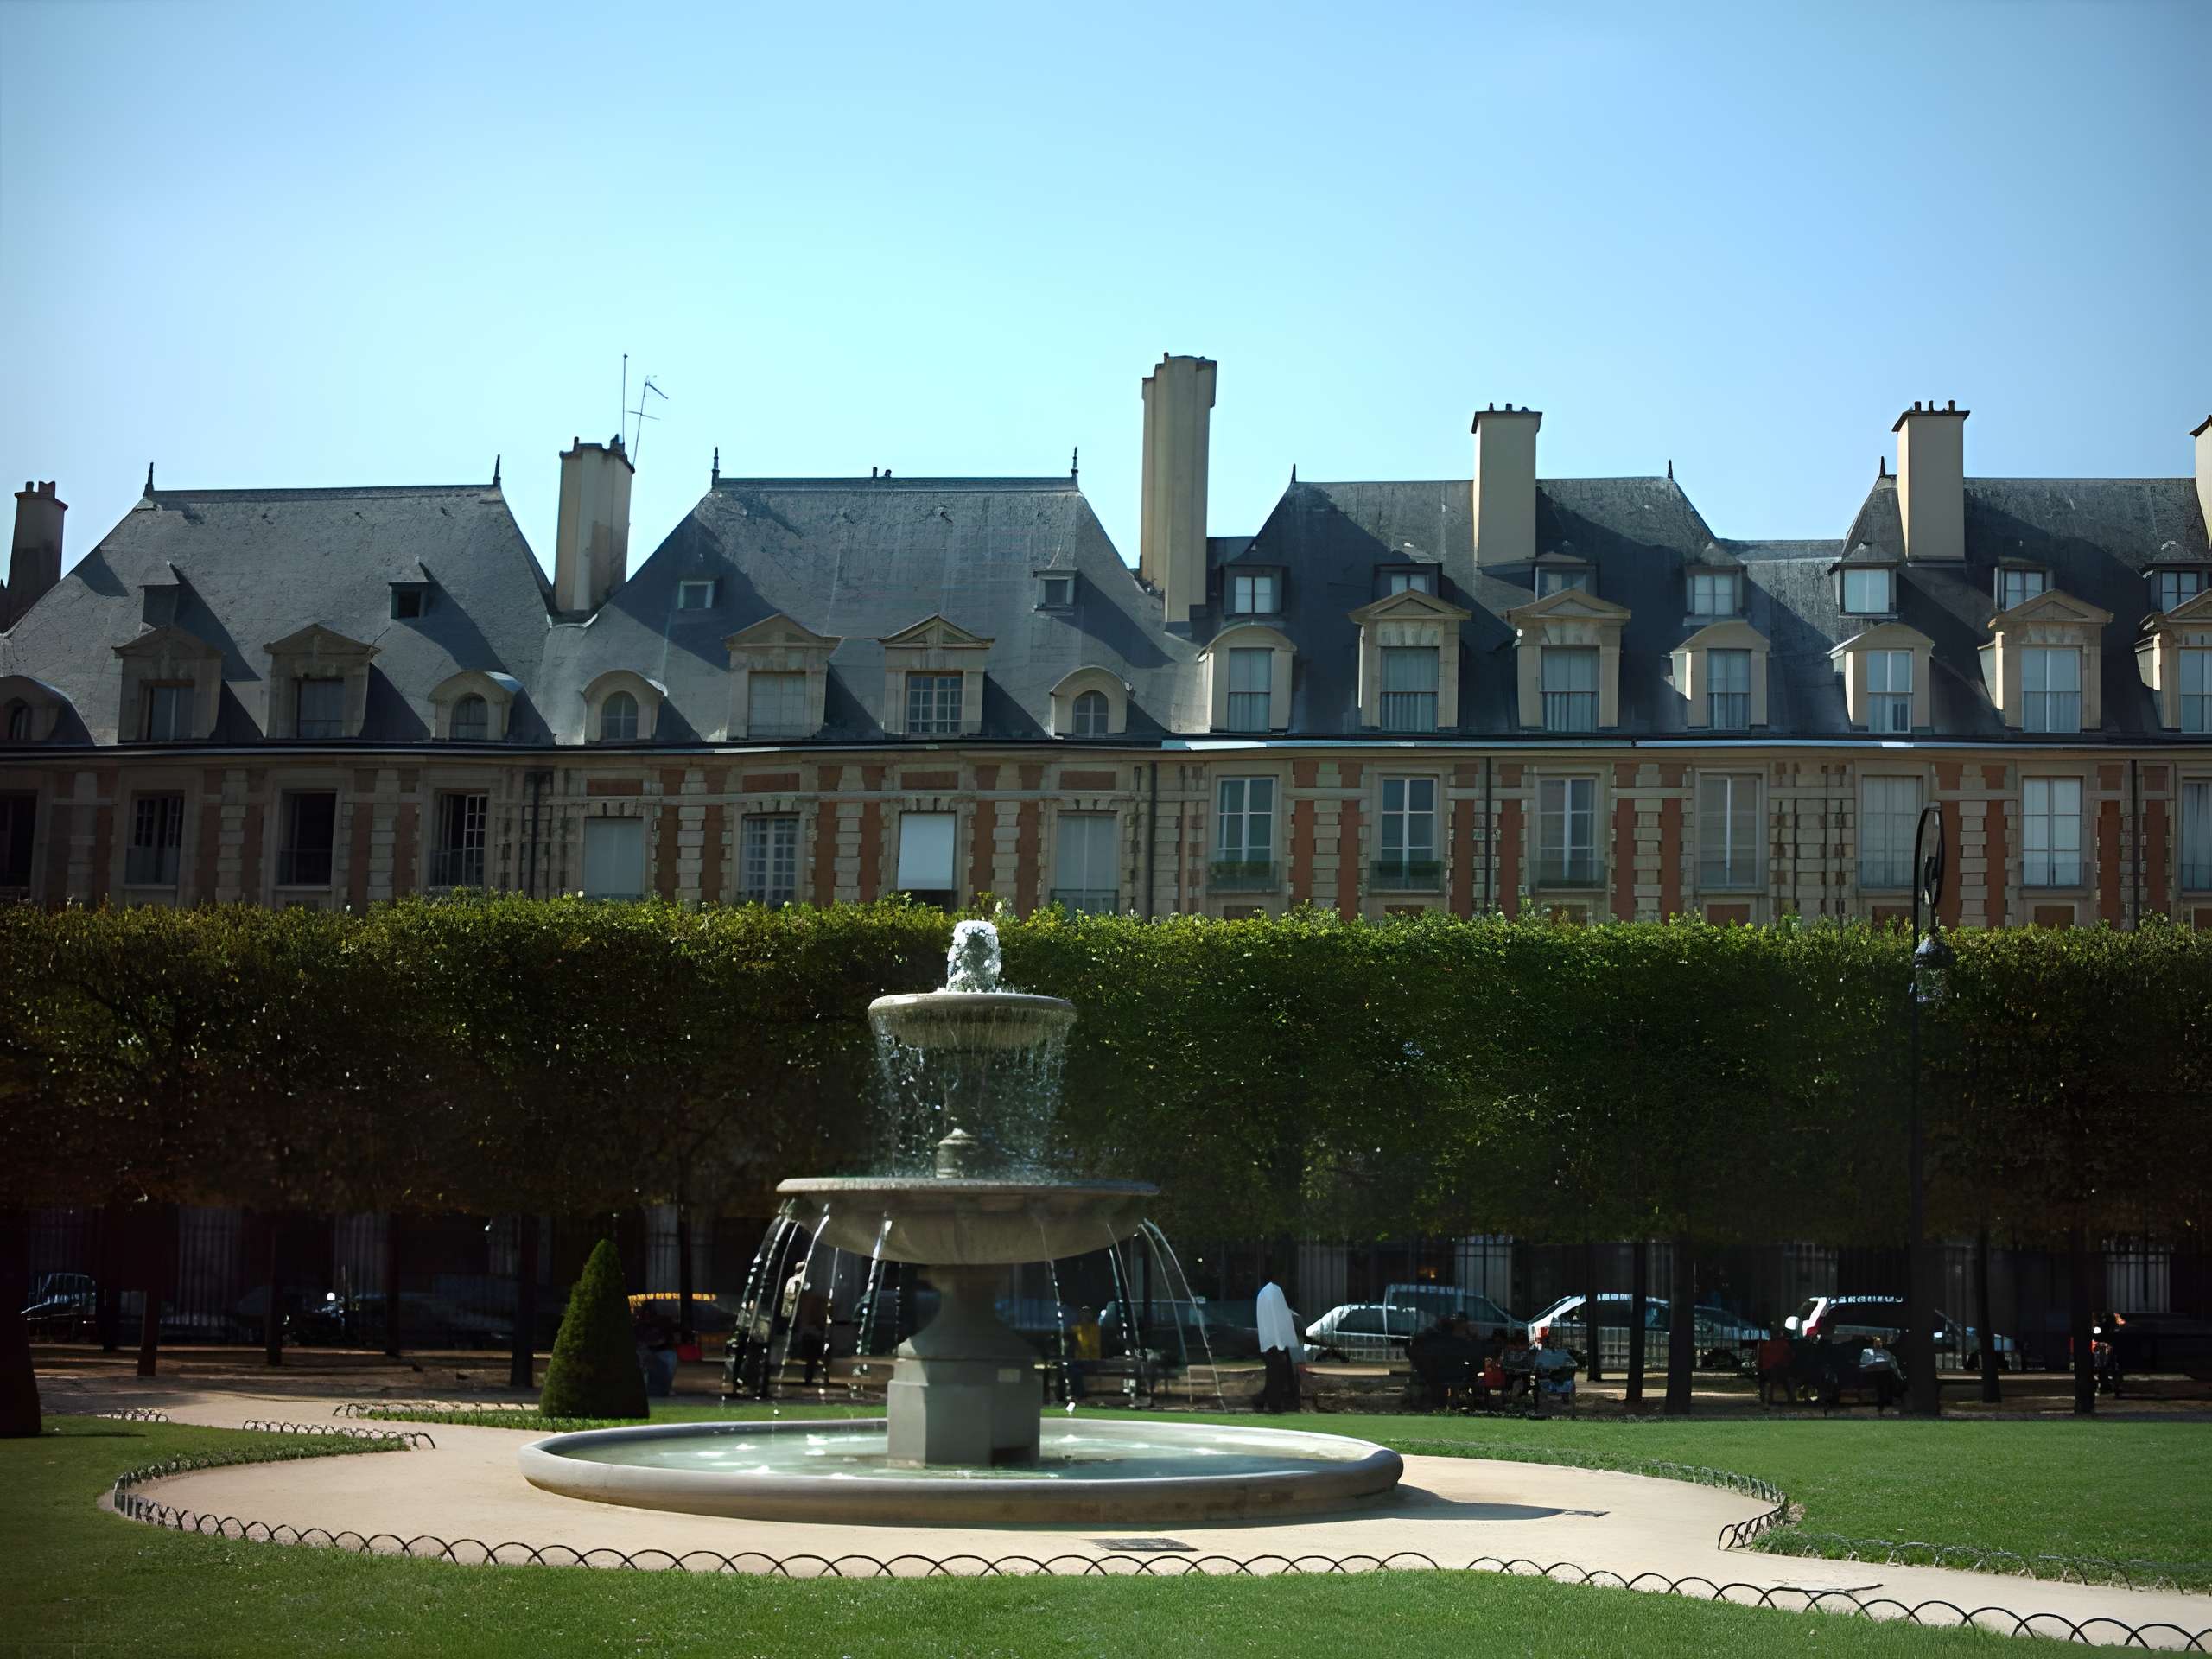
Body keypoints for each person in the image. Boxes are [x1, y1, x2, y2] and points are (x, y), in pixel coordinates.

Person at [1255, 1280, 1304, 1414]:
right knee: (1277, 1374)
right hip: (1276, 1344)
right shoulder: (1273, 1295)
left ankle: (1266, 1401)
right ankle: (1274, 1404)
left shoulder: (1266, 1295)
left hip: (1273, 1343)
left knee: (1277, 1374)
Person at [1067, 1306, 1103, 1401]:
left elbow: (1092, 1345)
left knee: (1076, 1372)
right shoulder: (1077, 1328)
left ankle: (1078, 1395)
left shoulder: (1095, 1328)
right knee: (1071, 1369)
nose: (1085, 1316)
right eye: (1083, 1313)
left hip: (1092, 1360)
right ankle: (1075, 1394)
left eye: (1087, 1313)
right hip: (1079, 1360)